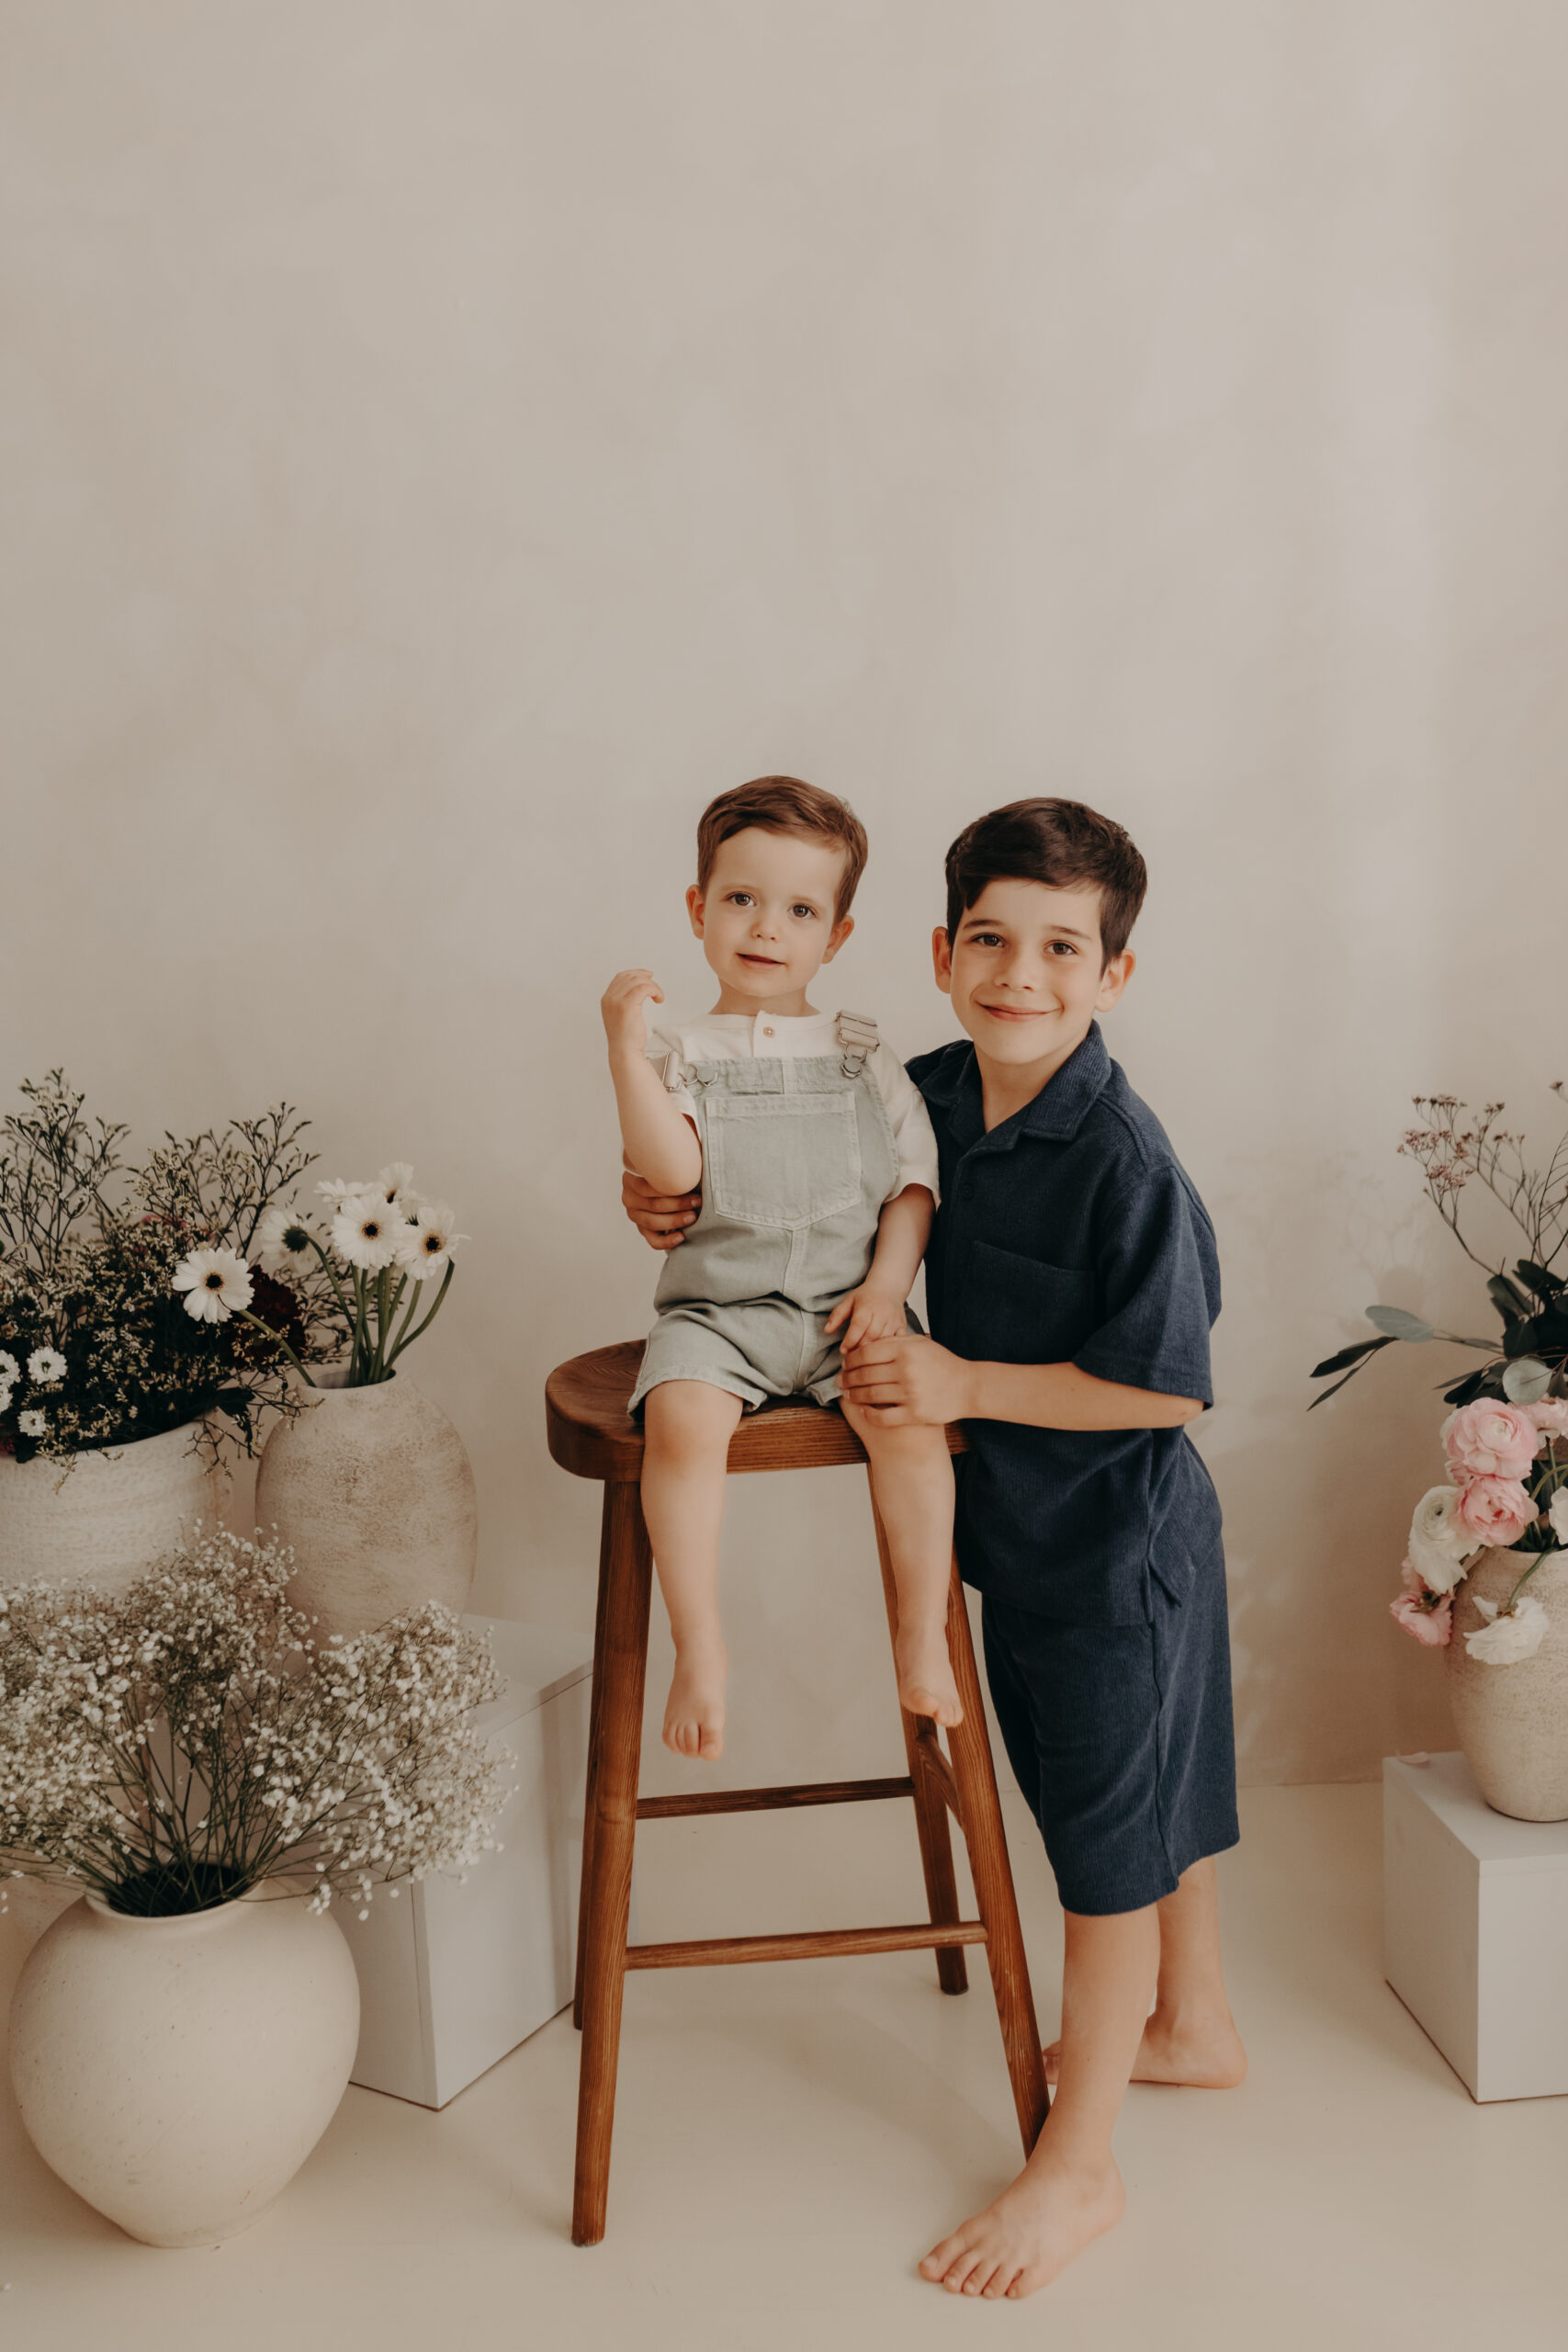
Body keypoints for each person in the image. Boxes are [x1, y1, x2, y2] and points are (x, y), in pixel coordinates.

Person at [623, 797, 1246, 2299]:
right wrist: (664, 1194)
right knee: (1139, 1783)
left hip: (1111, 1547)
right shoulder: (923, 1091)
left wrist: (962, 1384)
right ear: (937, 951)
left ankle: (1077, 2166)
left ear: (1113, 974)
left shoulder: (1124, 1162)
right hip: (1010, 1532)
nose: (1019, 974)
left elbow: (1169, 1386)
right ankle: (1192, 2024)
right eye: (989, 939)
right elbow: (794, 1190)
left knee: (1101, 1843)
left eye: (1061, 949)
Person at [601, 775, 962, 1764]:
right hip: (720, 1318)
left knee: (910, 1426)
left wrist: (887, 1289)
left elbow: (915, 1186)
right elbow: (673, 1171)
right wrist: (626, 1055)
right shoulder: (680, 1052)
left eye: (801, 910)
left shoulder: (863, 1053)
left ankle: (919, 1635)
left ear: (835, 937)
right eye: (741, 898)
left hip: (852, 1313)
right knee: (680, 1422)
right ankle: (700, 1644)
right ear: (698, 910)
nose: (767, 927)